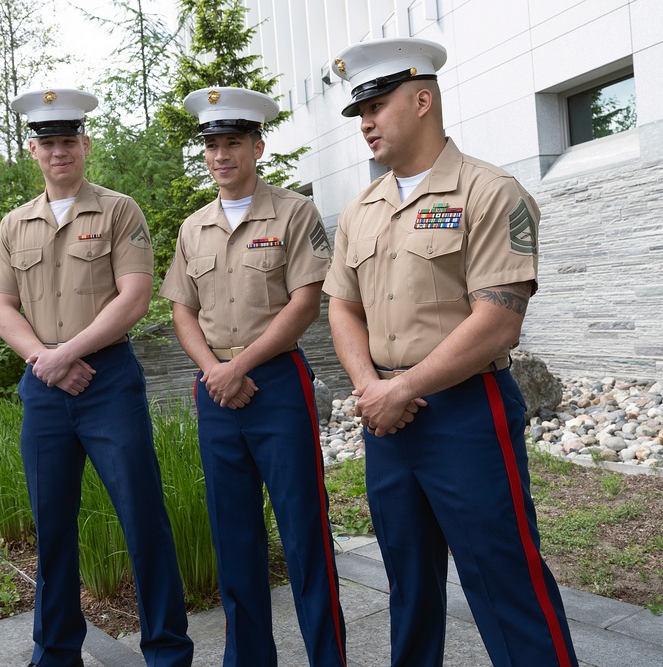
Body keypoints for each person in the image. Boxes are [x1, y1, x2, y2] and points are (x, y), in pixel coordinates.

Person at [323, 38, 578, 667]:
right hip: (385, 415)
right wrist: (370, 386)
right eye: (359, 112)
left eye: (376, 106)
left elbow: (497, 324)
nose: (365, 123)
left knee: (502, 576)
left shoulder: (490, 192)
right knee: (407, 583)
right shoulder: (362, 209)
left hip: (464, 412)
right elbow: (343, 306)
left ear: (422, 99)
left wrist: (402, 390)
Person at [0, 88, 194, 667]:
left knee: (142, 516)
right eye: (48, 143)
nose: (60, 153)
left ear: (85, 143)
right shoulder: (14, 224)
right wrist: (43, 359)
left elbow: (135, 296)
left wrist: (68, 353)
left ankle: (168, 652)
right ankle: (54, 654)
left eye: (69, 142)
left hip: (108, 381)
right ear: (33, 149)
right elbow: (4, 308)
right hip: (44, 387)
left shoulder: (119, 211)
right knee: (50, 528)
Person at [159, 86, 347, 667]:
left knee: (304, 536)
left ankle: (328, 659)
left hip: (276, 387)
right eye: (212, 145)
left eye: (233, 142)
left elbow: (306, 302)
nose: (221, 155)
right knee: (233, 540)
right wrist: (215, 370)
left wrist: (237, 366)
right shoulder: (194, 228)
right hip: (216, 391)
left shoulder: (295, 212)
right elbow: (182, 311)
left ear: (257, 146)